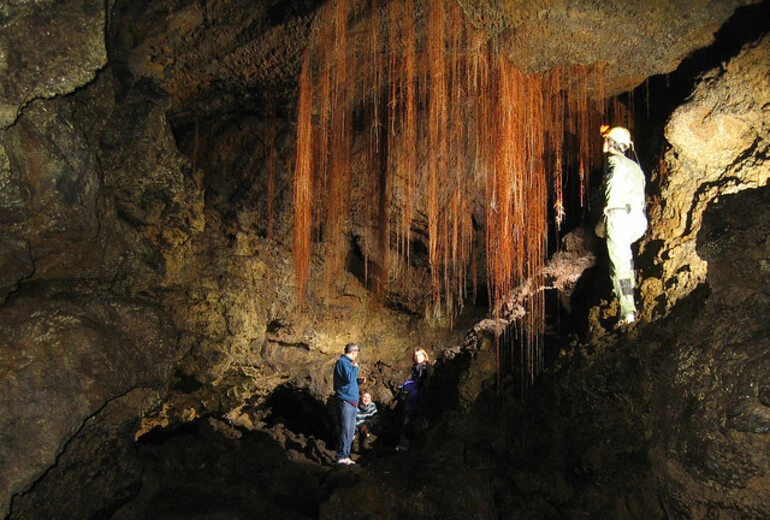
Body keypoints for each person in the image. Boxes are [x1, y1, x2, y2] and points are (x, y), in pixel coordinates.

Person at [600, 125, 648, 325]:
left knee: (619, 267)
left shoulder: (615, 162)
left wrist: (609, 207)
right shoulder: (635, 167)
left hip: (620, 216)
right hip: (637, 219)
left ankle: (628, 312)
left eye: (606, 139)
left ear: (612, 142)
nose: (604, 141)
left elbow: (614, 184)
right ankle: (628, 300)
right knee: (624, 264)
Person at [333, 342, 365, 465]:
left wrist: (358, 381)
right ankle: (341, 456)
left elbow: (349, 381)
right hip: (345, 400)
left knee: (350, 430)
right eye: (356, 352)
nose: (357, 355)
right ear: (353, 352)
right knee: (346, 429)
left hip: (352, 401)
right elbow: (348, 378)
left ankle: (345, 455)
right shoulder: (342, 362)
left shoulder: (346, 363)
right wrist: (356, 368)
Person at [396, 347, 430, 451]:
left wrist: (405, 385)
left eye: (419, 355)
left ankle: (405, 446)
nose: (417, 357)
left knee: (410, 422)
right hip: (412, 399)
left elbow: (418, 383)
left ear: (424, 356)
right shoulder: (416, 369)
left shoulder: (423, 369)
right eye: (416, 356)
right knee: (408, 421)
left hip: (417, 400)